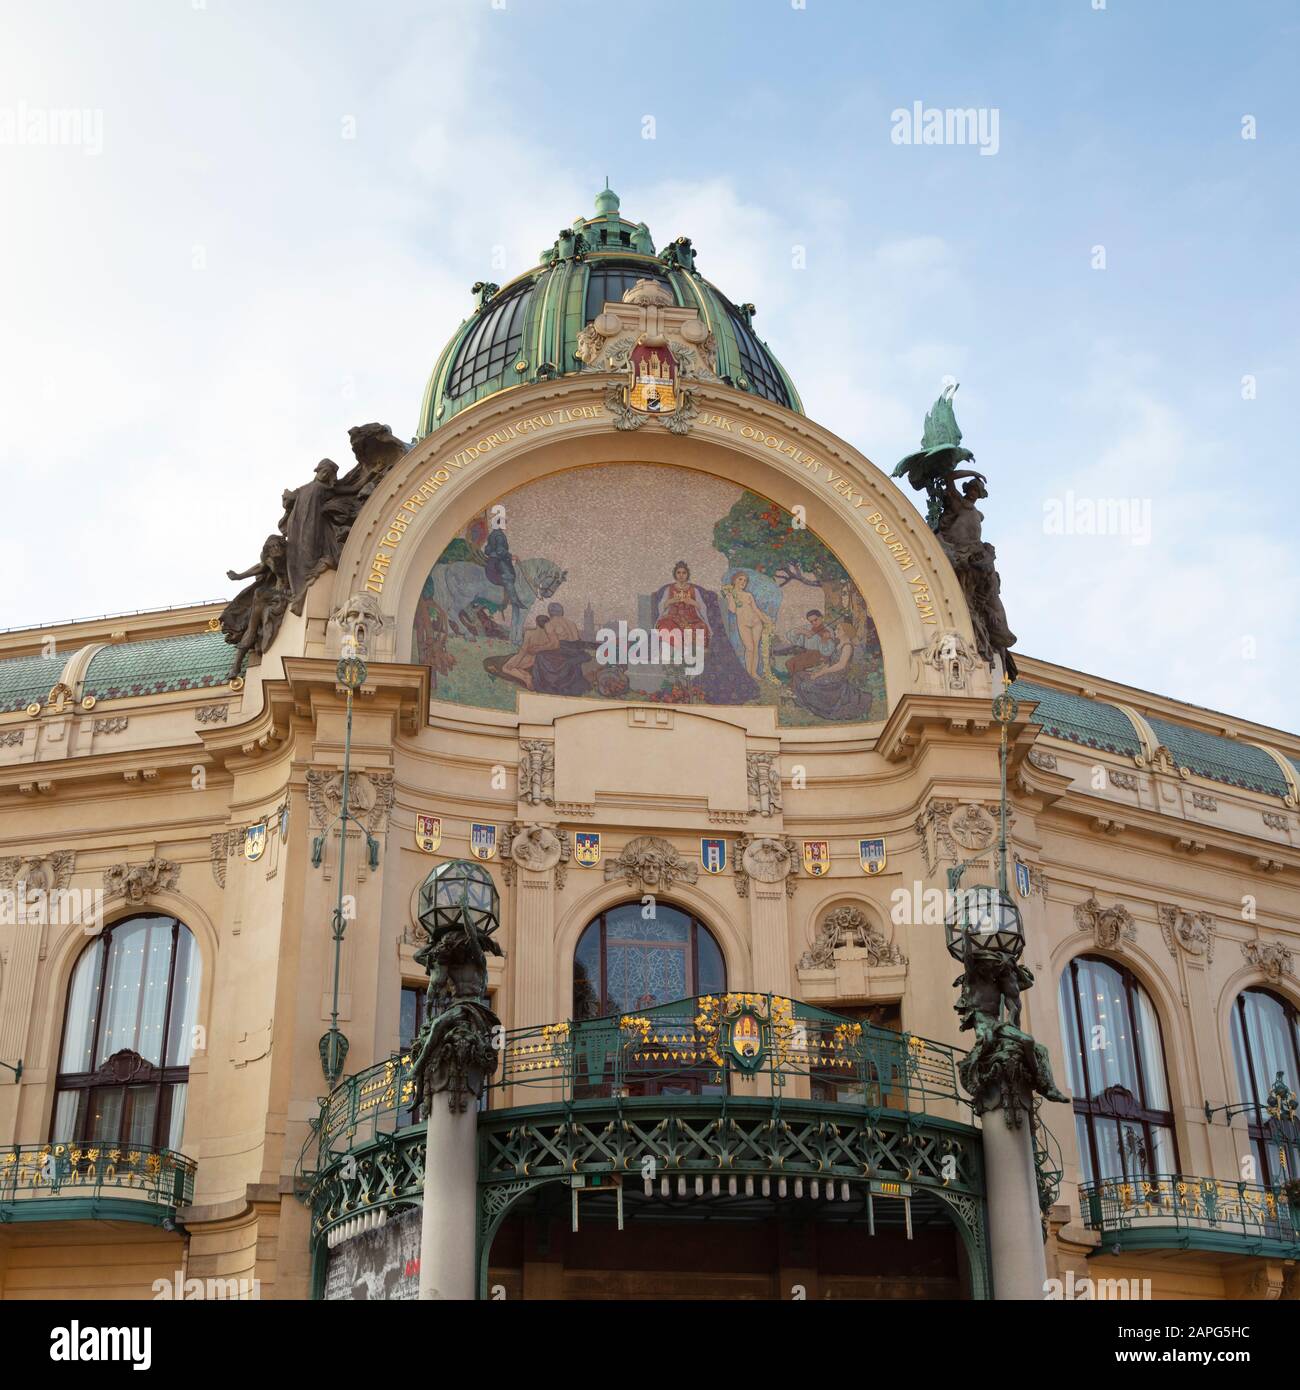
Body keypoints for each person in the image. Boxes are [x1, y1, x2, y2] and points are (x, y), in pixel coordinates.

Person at [791, 618, 869, 721]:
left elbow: (841, 665)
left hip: (836, 677)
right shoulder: (838, 644)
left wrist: (820, 673)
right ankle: (804, 704)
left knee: (807, 685)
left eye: (838, 630)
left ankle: (816, 708)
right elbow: (830, 663)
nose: (835, 631)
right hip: (828, 673)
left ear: (845, 633)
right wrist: (817, 671)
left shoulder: (847, 646)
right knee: (799, 675)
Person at [723, 572, 774, 679]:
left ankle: (753, 672)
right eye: (740, 579)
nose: (743, 582)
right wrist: (730, 598)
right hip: (743, 623)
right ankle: (747, 673)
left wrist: (765, 619)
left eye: (745, 580)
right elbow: (732, 610)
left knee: (756, 648)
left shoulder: (748, 595)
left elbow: (756, 609)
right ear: (734, 581)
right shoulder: (731, 594)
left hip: (756, 622)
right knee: (749, 648)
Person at [774, 609, 837, 677]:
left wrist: (824, 640)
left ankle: (794, 682)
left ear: (821, 617)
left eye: (816, 620)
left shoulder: (828, 630)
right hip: (807, 654)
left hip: (820, 656)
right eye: (811, 621)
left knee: (798, 665)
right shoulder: (808, 627)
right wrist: (801, 631)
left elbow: (828, 652)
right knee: (789, 663)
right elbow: (789, 635)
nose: (814, 623)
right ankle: (793, 681)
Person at [500, 615, 558, 689]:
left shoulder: (529, 633)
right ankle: (527, 675)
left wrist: (515, 663)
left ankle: (525, 678)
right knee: (518, 668)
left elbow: (523, 650)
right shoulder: (549, 635)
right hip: (535, 660)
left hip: (526, 657)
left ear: (536, 623)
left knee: (506, 668)